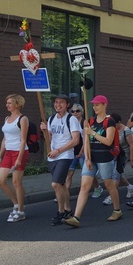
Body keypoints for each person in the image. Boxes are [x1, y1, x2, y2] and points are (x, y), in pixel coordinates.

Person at [63, 95, 123, 227]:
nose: (95, 107)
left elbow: (108, 141)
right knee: (84, 186)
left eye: (97, 105)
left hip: (105, 158)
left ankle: (117, 210)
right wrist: (87, 158)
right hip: (91, 158)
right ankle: (76, 217)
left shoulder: (110, 121)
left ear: (104, 105)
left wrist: (93, 133)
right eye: (94, 105)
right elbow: (86, 141)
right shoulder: (90, 121)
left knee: (109, 185)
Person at [40, 95, 82, 226]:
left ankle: (60, 211)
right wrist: (44, 131)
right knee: (62, 185)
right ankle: (68, 209)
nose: (58, 105)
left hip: (65, 156)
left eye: (61, 103)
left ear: (67, 105)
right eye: (56, 102)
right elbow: (50, 139)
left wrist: (59, 150)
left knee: (55, 184)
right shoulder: (51, 119)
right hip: (53, 156)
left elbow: (75, 140)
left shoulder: (72, 119)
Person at [0, 94, 30, 223]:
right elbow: (4, 139)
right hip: (8, 152)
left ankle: (21, 211)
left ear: (18, 104)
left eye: (10, 103)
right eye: (7, 103)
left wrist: (19, 158)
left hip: (19, 152)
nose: (7, 105)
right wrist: (0, 156)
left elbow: (23, 140)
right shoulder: (7, 118)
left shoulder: (23, 119)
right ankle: (16, 204)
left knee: (16, 182)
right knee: (0, 181)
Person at [101, 113, 133, 204]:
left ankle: (111, 196)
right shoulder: (111, 129)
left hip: (123, 154)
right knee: (118, 173)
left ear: (119, 122)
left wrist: (132, 159)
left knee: (116, 174)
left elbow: (132, 145)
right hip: (113, 154)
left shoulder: (126, 130)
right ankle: (130, 187)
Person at [62, 103, 85, 198]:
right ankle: (65, 194)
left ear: (81, 112)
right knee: (69, 173)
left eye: (77, 111)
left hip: (82, 151)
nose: (75, 113)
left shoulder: (84, 123)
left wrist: (81, 152)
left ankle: (95, 187)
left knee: (85, 174)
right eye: (73, 111)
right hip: (71, 151)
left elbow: (85, 140)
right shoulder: (69, 121)